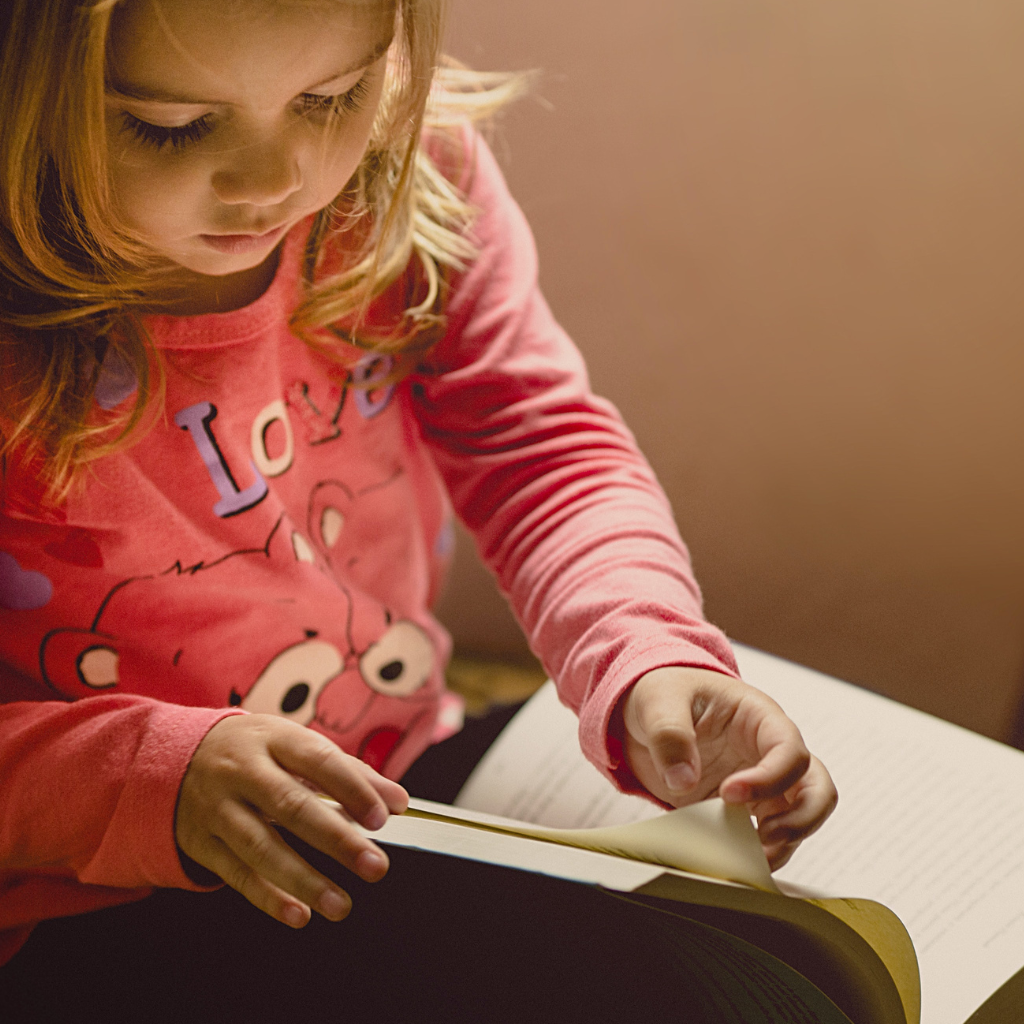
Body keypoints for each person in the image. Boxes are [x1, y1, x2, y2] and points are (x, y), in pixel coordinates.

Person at [0, 0, 838, 1018]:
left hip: (394, 778)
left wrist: (644, 648)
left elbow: (537, 445)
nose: (274, 180)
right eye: (168, 124)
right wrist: (144, 778)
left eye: (331, 96)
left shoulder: (405, 180)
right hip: (82, 897)